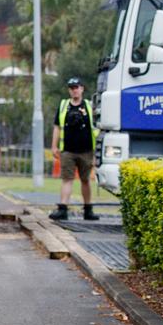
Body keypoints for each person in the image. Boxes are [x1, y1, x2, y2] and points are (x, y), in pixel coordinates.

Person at [50, 77, 99, 221]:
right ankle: (63, 209)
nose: (74, 90)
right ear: (69, 90)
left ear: (82, 88)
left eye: (76, 87)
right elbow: (57, 127)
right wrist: (54, 146)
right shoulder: (64, 105)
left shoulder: (90, 106)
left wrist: (97, 152)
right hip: (68, 151)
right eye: (71, 88)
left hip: (86, 150)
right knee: (67, 179)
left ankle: (88, 210)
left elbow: (96, 127)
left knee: (85, 180)